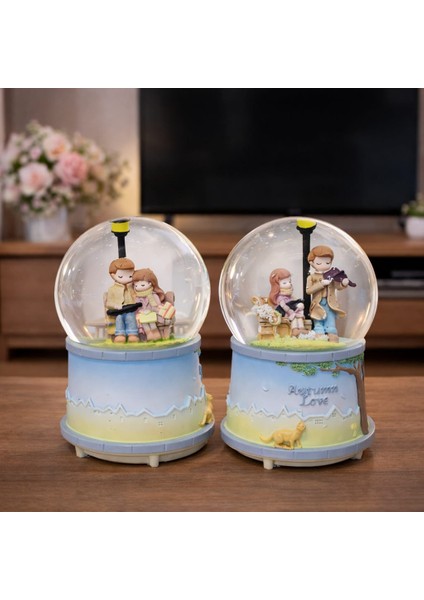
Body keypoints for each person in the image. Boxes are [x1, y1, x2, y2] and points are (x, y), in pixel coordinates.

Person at [306, 245, 350, 342]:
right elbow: (308, 291)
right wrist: (321, 284)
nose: (324, 265)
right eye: (319, 263)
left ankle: (332, 335)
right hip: (318, 304)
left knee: (331, 322)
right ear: (312, 263)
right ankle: (319, 334)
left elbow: (338, 287)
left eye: (327, 262)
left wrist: (343, 283)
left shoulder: (332, 275)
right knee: (318, 321)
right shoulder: (311, 277)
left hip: (330, 304)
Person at [105, 257, 139, 343]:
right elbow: (108, 303)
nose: (126, 278)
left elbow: (137, 297)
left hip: (131, 310)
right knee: (119, 318)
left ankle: (132, 334)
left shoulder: (133, 287)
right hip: (118, 311)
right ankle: (120, 335)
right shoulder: (112, 289)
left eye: (130, 276)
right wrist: (116, 306)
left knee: (130, 317)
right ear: (113, 275)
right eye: (120, 276)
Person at [268, 268, 307, 337]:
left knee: (299, 316)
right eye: (284, 283)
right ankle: (295, 329)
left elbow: (293, 301)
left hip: (291, 310)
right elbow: (284, 306)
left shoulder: (288, 295)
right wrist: (291, 312)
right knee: (294, 317)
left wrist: (298, 305)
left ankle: (301, 328)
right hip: (284, 312)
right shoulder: (280, 297)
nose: (289, 284)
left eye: (289, 281)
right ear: (277, 285)